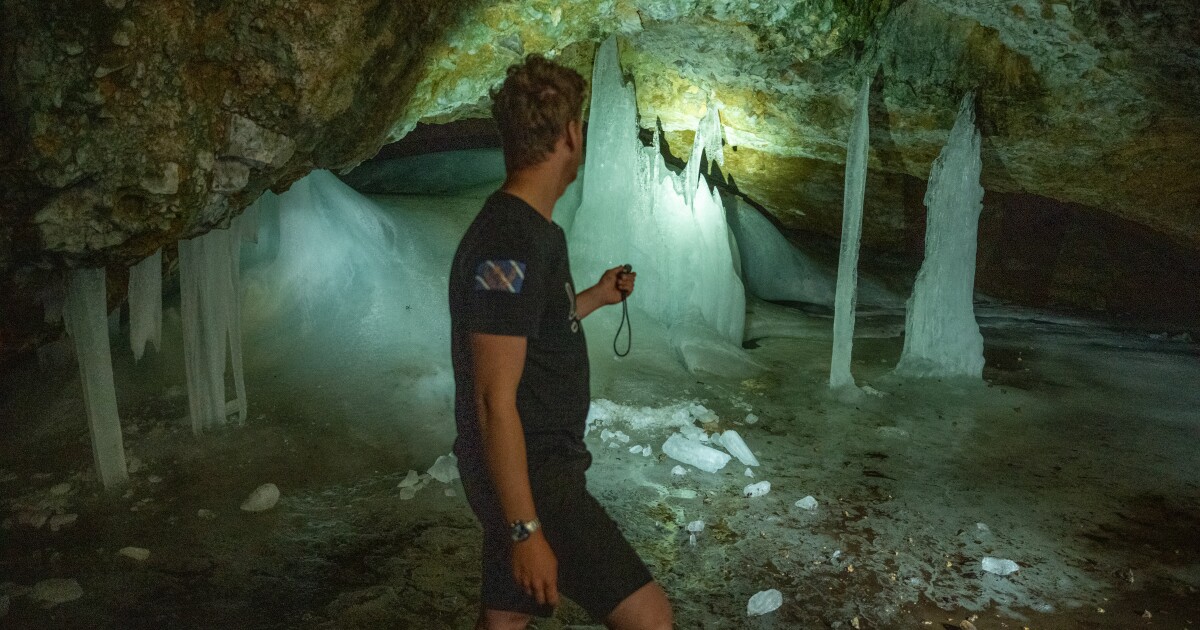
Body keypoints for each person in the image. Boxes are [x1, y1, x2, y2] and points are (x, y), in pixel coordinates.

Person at [448, 54, 674, 630]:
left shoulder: (531, 232)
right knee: (648, 617)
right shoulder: (510, 241)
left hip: (525, 472)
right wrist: (526, 529)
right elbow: (493, 397)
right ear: (570, 135)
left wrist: (595, 298)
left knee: (505, 621)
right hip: (536, 477)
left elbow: (529, 330)